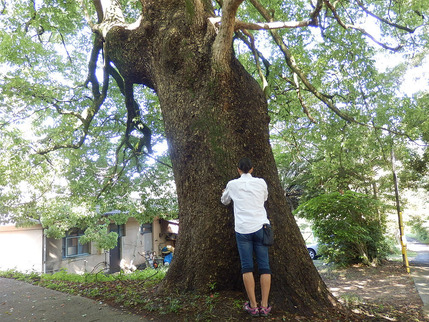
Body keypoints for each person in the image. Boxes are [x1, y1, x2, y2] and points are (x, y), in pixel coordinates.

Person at [221, 157, 272, 317]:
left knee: (247, 266)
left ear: (238, 170)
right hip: (261, 226)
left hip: (242, 229)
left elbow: (224, 201)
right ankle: (264, 305)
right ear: (251, 169)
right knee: (264, 266)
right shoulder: (261, 182)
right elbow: (264, 198)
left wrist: (225, 193)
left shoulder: (232, 184)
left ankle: (253, 305)